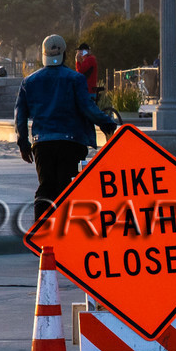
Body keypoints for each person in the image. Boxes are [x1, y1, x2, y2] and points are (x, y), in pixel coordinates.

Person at [15, 33, 117, 221]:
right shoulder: (75, 79)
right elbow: (88, 108)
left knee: (46, 188)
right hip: (72, 143)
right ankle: (66, 235)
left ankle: (43, 235)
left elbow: (20, 116)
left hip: (43, 143)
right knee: (67, 190)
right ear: (64, 53)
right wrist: (107, 124)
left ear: (43, 54)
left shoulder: (29, 82)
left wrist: (23, 143)